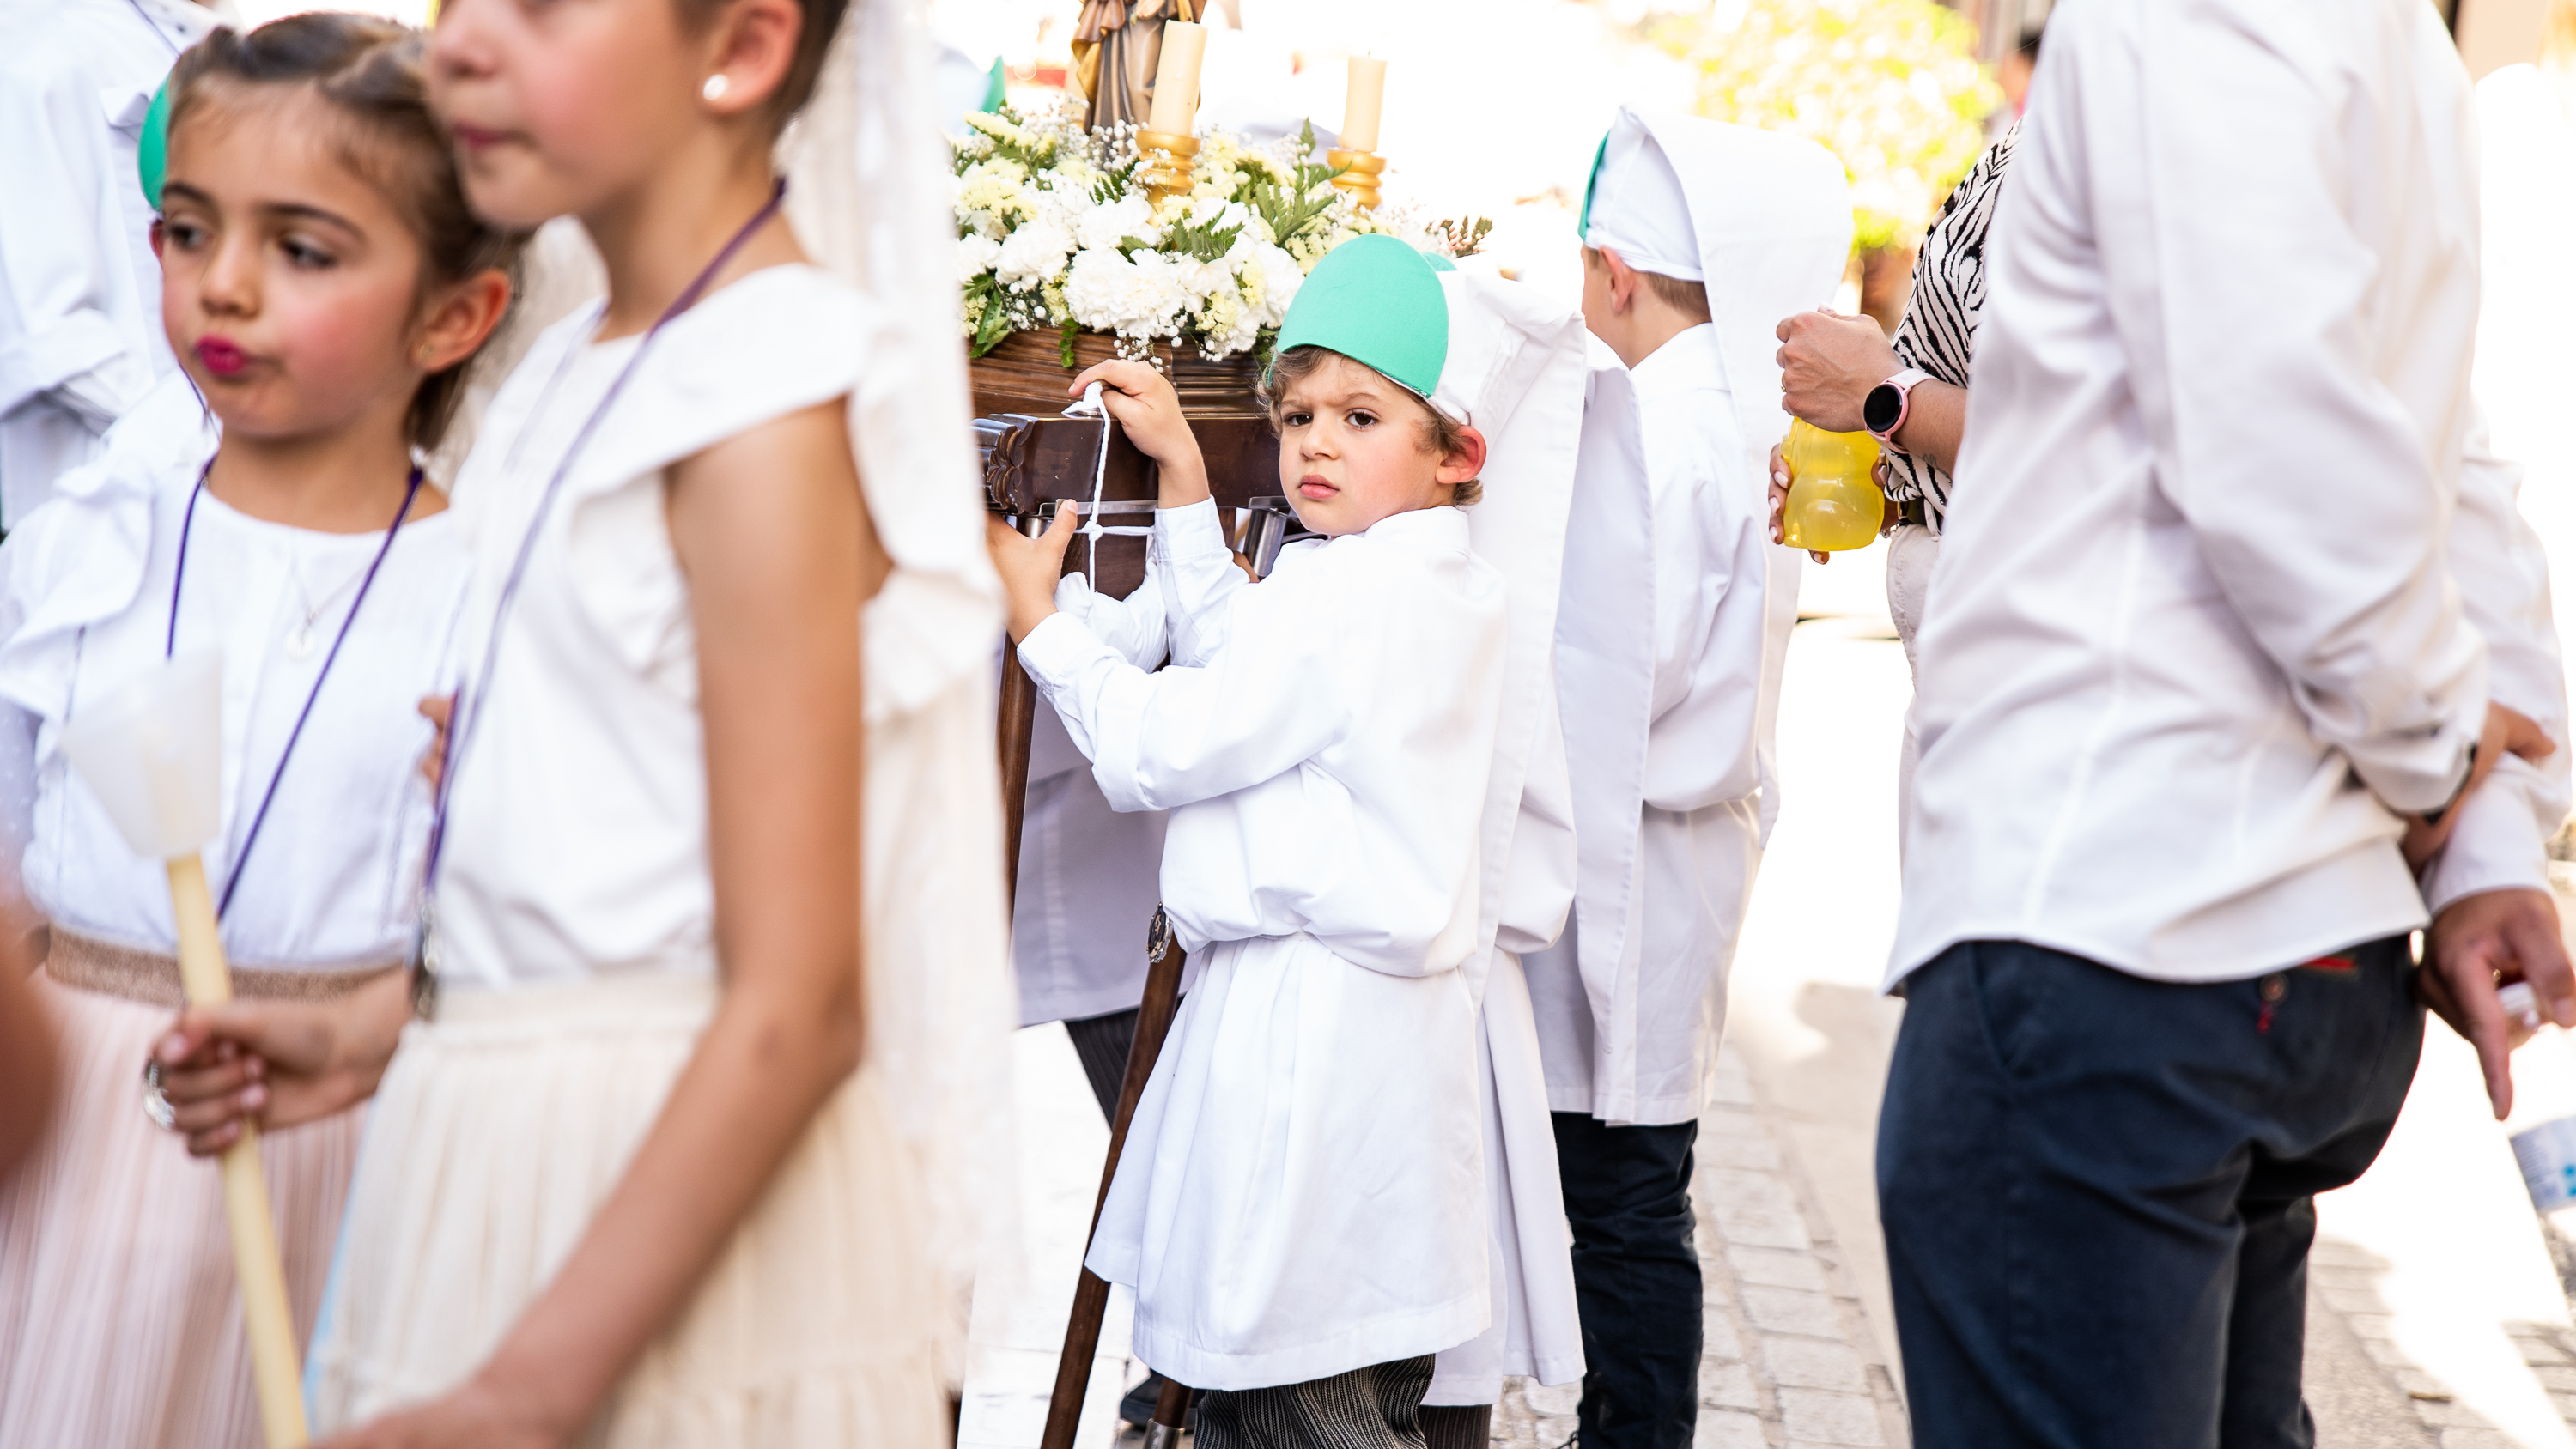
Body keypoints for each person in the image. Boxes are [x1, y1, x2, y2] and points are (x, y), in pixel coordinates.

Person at [152, 0, 1018, 1438]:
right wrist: (377, 1033)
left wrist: (526, 1389)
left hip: (641, 1188)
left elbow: (799, 1003)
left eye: (539, 7)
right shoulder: (586, 361)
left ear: (739, 47)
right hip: (499, 1145)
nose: (461, 46)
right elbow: (618, 860)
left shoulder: (757, 408)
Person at [1880, 1, 2575, 1443]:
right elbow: (2454, 461)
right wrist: (2482, 846)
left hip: (2120, 927)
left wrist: (2450, 767)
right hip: (2261, 953)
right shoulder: (2398, 44)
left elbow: (2288, 444)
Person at [0, 18, 515, 1448]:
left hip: (330, 1148)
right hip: (70, 1136)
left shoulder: (487, 600)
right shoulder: (81, 548)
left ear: (454, 315)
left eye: (303, 248)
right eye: (185, 229)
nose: (220, 282)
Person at [986, 233, 1583, 1449]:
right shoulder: (1413, 581)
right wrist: (1189, 487)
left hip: (1316, 1049)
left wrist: (1040, 623)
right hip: (1353, 1040)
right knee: (1309, 1399)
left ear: (1455, 455)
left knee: (1307, 1417)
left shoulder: (1355, 597)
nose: (1316, 440)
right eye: (1300, 411)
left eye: (1362, 417)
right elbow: (1255, 665)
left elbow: (1170, 741)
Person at [1522, 107, 1847, 1449]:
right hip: (1671, 843)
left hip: (1631, 853)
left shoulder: (1652, 421)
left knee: (1625, 1205)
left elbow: (1618, 666)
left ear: (1615, 274)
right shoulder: (1740, 411)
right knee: (1631, 1188)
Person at [1770, 114, 2014, 838]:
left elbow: (2081, 438)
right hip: (1959, 661)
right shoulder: (2060, 127)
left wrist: (1887, 397)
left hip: (2028, 661)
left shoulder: (2154, 147)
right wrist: (1891, 471)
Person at [0, 0, 221, 527]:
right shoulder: (38, 39)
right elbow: (54, 337)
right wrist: (209, 444)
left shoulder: (222, 33)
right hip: (102, 492)